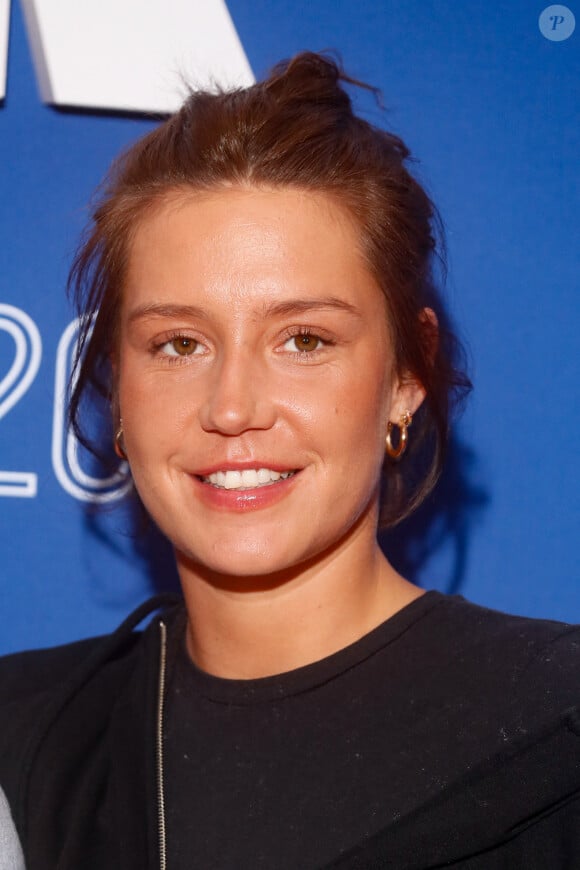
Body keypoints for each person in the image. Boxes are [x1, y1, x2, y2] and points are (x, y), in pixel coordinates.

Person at [0, 51, 578, 870]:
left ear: (406, 377)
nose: (233, 406)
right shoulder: (28, 741)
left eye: (304, 340)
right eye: (178, 344)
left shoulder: (555, 726)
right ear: (115, 388)